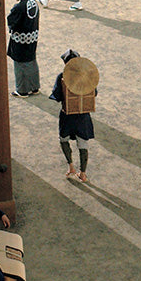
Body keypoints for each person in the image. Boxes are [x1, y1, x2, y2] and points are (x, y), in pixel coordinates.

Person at [50, 48, 96, 182]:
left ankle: (71, 167)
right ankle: (83, 173)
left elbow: (57, 95)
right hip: (83, 116)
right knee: (83, 144)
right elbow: (94, 93)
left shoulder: (62, 76)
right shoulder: (87, 76)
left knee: (63, 139)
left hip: (67, 116)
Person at [7, 0, 40, 97]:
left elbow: (12, 22)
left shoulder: (19, 7)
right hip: (32, 38)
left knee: (20, 65)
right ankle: (34, 87)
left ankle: (22, 90)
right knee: (31, 62)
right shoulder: (34, 2)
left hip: (20, 41)